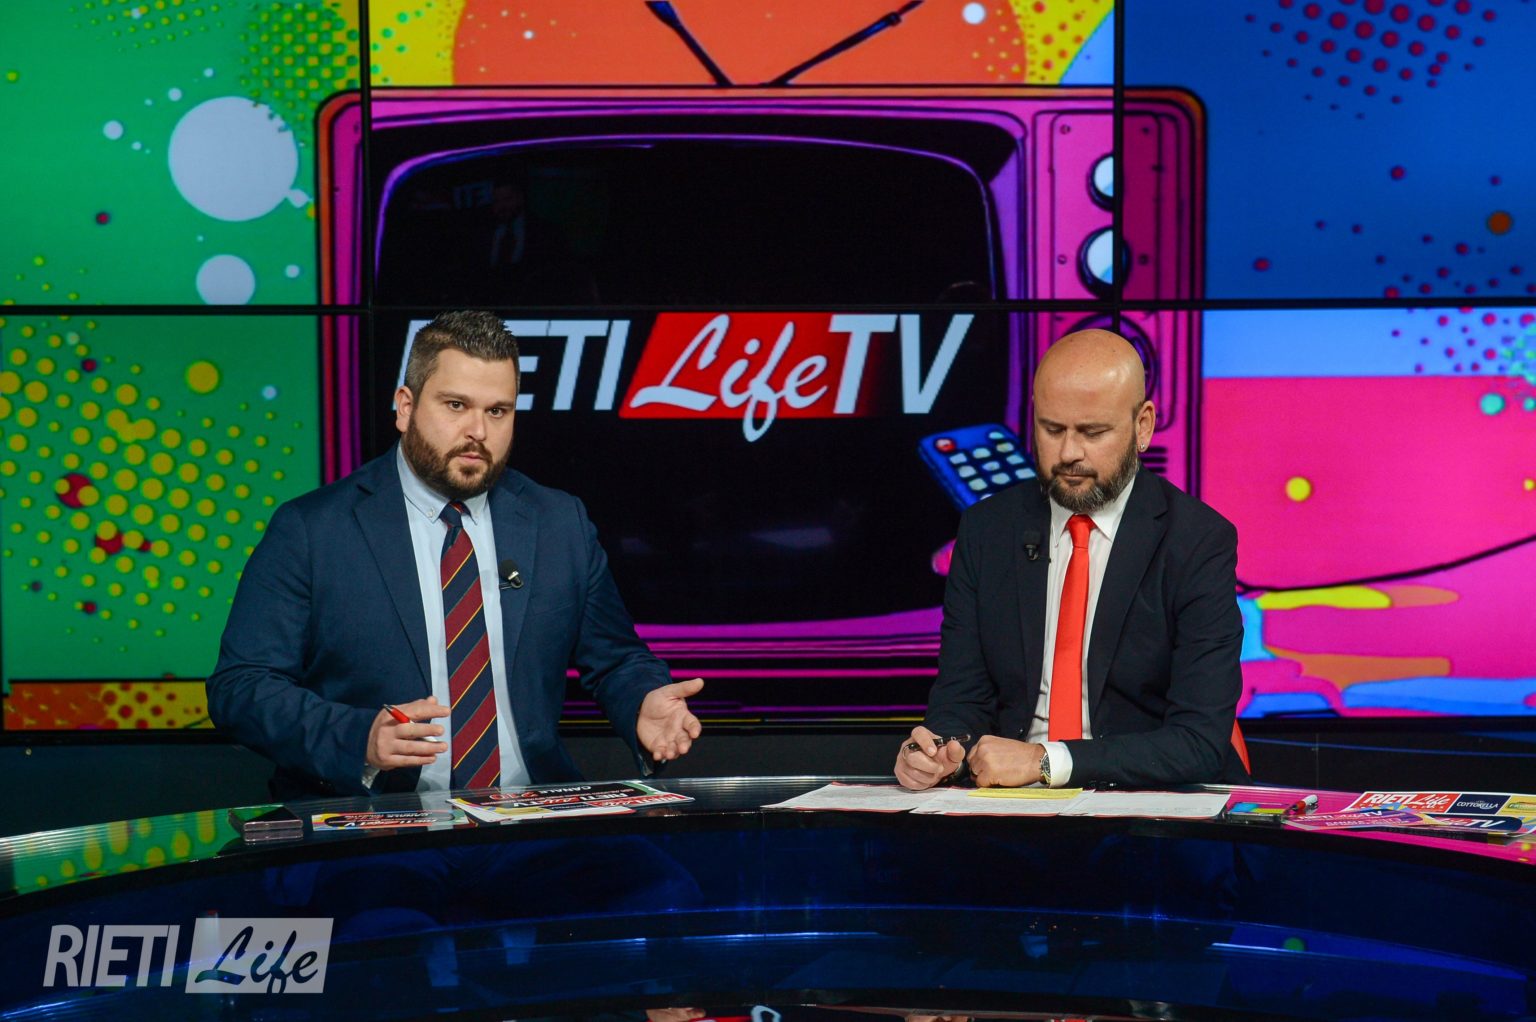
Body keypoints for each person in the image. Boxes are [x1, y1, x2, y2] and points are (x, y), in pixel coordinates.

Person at [209, 311, 702, 799]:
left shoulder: (559, 523)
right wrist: (359, 738)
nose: (478, 431)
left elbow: (616, 659)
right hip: (377, 820)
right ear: (405, 407)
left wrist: (640, 701)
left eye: (497, 411)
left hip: (530, 814)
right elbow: (241, 686)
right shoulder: (312, 531)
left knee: (664, 856)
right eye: (456, 405)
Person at [895, 328, 1247, 791]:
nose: (1068, 454)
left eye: (1093, 432)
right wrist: (939, 753)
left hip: (1139, 803)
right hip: (1006, 804)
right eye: (1052, 429)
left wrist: (1046, 760)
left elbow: (1198, 742)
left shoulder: (1197, 541)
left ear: (1143, 426)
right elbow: (961, 701)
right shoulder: (986, 530)